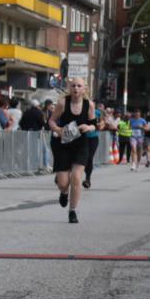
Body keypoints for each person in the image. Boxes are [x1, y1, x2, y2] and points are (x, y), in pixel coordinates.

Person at [48, 78, 97, 223]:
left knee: (76, 178)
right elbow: (51, 120)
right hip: (63, 144)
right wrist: (58, 129)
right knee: (63, 183)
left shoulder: (89, 105)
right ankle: (64, 193)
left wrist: (88, 127)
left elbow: (94, 124)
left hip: (81, 144)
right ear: (70, 88)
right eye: (73, 85)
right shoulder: (63, 103)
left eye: (79, 86)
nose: (76, 88)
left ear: (84, 89)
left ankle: (72, 211)